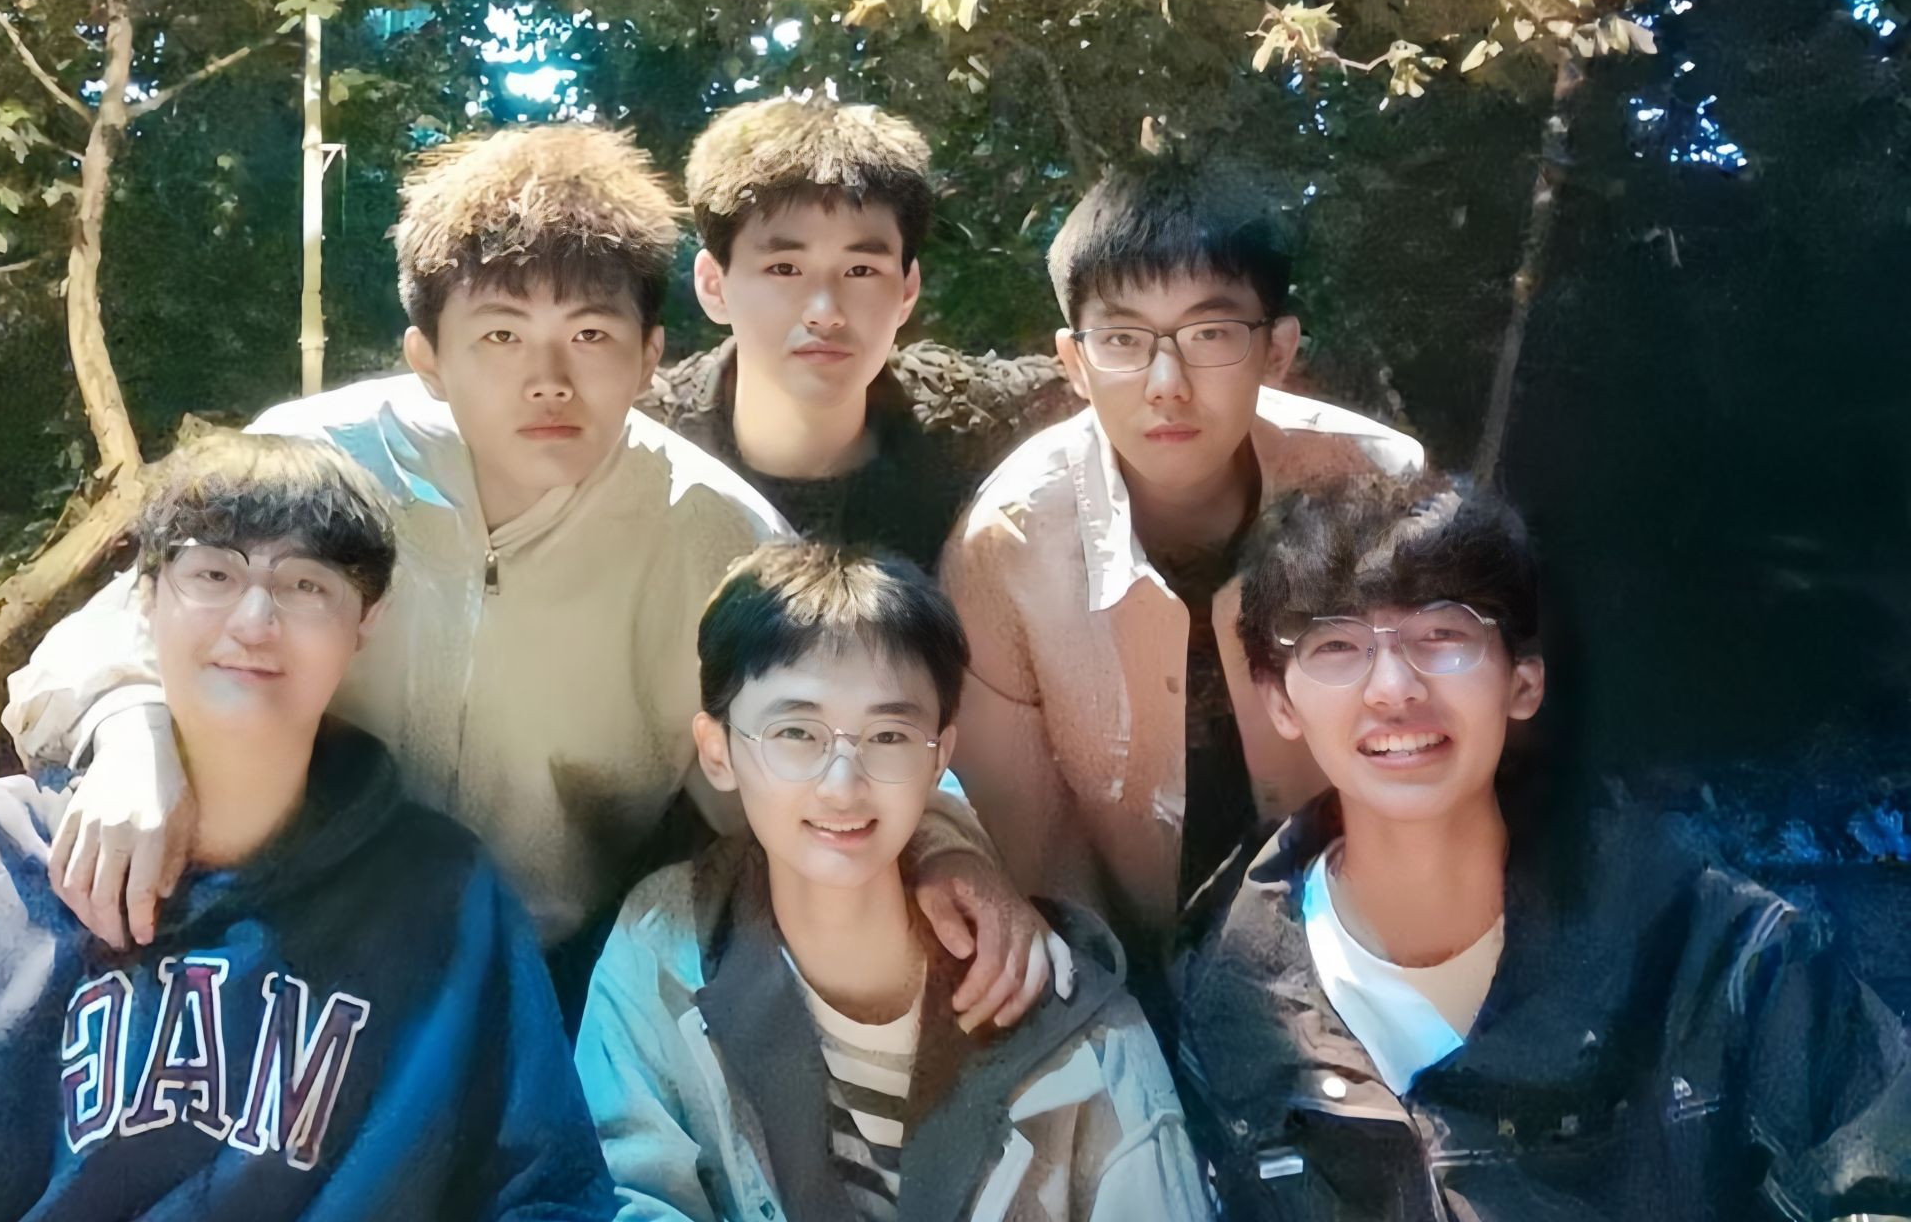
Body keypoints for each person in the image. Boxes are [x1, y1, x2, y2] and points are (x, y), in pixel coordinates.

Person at [4, 124, 1057, 1028]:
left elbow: (846, 714)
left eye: (590, 334)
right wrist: (132, 732)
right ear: (427, 354)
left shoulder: (714, 532)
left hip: (544, 985)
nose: (548, 379)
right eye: (501, 334)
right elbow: (100, 641)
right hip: (267, 938)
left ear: (650, 353)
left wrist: (952, 853)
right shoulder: (319, 461)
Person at [0, 432, 613, 1221]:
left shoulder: (443, 902)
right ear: (146, 599)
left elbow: (549, 1195)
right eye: (213, 574)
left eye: (307, 585)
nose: (255, 621)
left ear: (368, 620)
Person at [1179, 473, 1911, 1220]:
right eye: (1337, 646)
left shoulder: (1718, 964)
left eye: (1442, 635)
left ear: (1524, 681)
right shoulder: (1220, 1018)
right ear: (1279, 701)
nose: (1393, 688)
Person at [575, 543, 1209, 1222]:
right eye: (796, 733)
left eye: (888, 737)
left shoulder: (1074, 1016)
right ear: (718, 751)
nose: (842, 785)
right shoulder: (665, 951)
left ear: (941, 759)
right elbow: (623, 1196)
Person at [940, 159, 1422, 993]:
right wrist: (1119, 1011)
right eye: (1124, 341)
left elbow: (1438, 744)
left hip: (1369, 932)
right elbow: (1036, 850)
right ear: (1074, 362)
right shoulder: (1006, 546)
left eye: (1210, 335)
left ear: (1276, 350)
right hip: (1129, 959)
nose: (1167, 386)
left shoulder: (1375, 486)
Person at [643, 96, 1072, 568]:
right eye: (784, 268)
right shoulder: (639, 437)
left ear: (907, 289)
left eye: (861, 270)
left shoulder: (976, 423)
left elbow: (1107, 378)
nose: (825, 313)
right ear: (714, 285)